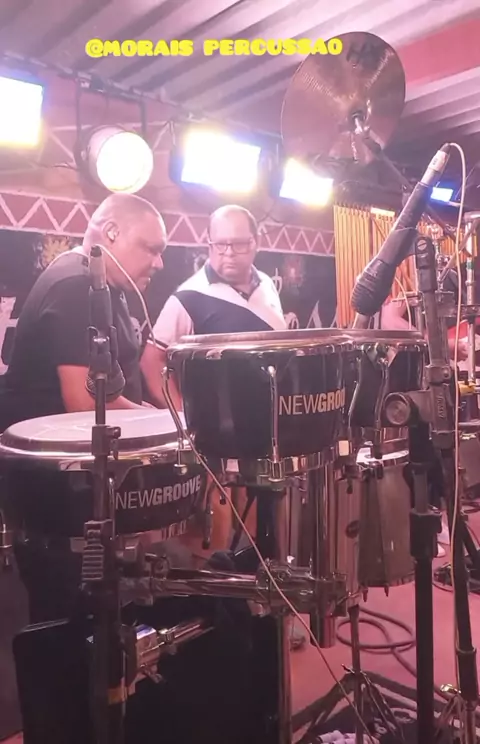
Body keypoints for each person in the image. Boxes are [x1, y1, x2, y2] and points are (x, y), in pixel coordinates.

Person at [141, 204, 307, 650]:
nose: (229, 253)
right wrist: (186, 420)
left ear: (256, 243)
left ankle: (277, 607)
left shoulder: (267, 285)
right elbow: (152, 361)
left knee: (276, 525)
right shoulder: (188, 296)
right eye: (220, 244)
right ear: (208, 244)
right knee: (225, 537)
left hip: (271, 433)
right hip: (221, 442)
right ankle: (236, 618)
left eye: (238, 244)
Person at [0, 192, 167, 430]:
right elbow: (86, 405)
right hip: (56, 450)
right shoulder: (76, 285)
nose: (159, 263)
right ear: (112, 232)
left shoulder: (102, 282)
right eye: (151, 249)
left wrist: (142, 409)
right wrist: (159, 420)